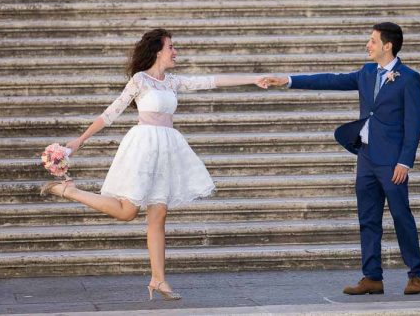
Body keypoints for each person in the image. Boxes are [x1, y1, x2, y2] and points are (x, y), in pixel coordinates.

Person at [40, 28, 268, 301]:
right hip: (143, 146)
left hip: (168, 148)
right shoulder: (140, 80)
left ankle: (158, 280)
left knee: (159, 216)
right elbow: (110, 113)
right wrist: (78, 141)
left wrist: (254, 78)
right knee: (127, 212)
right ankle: (69, 190)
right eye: (171, 47)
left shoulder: (172, 82)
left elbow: (211, 80)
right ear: (158, 50)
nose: (175, 52)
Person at [264, 22, 420, 295]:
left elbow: (414, 123)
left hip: (391, 162)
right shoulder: (366, 72)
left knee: (401, 216)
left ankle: (416, 275)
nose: (368, 45)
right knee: (368, 218)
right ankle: (372, 277)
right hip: (366, 157)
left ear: (387, 45)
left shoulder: (409, 78)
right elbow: (330, 79)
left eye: (372, 41)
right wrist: (288, 81)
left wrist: (404, 162)